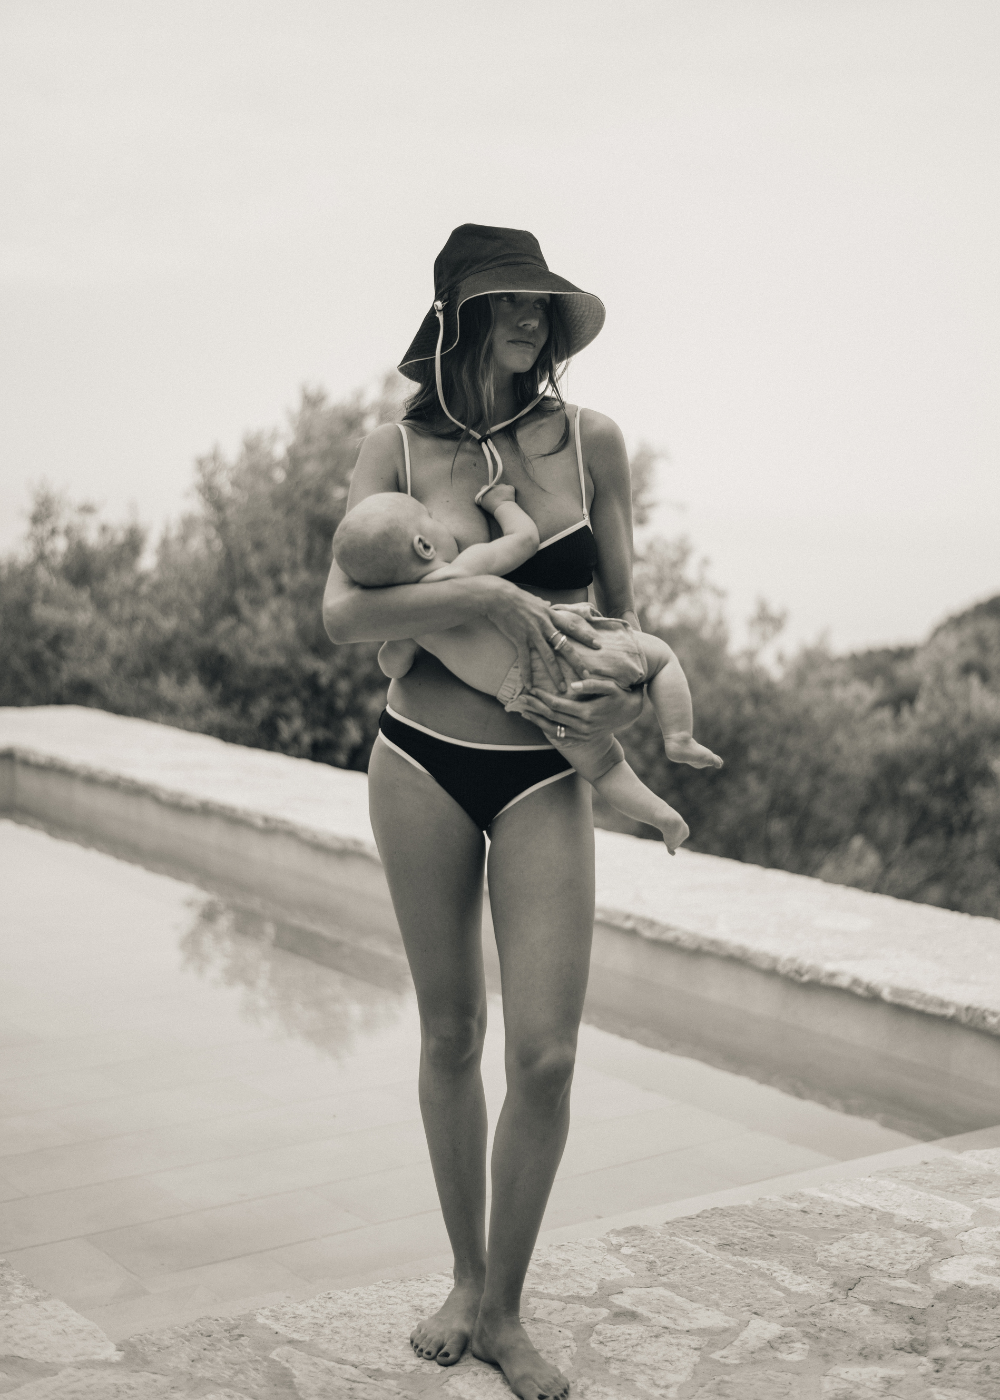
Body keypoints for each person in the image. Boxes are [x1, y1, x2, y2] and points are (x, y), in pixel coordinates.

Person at [322, 224, 688, 1400]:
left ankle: (510, 1308)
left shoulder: (593, 443)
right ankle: (468, 1283)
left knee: (544, 1050)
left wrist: (628, 698)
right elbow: (341, 613)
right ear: (460, 317)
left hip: (544, 768)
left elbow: (628, 612)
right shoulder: (394, 444)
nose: (531, 320)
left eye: (542, 303)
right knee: (448, 1036)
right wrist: (476, 584)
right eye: (509, 304)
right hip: (421, 755)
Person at [331, 482, 722, 852]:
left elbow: (392, 666)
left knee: (604, 769)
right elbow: (524, 540)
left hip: (537, 699)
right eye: (431, 516)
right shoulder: (463, 572)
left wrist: (397, 637)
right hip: (566, 646)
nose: (440, 520)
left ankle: (664, 820)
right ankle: (678, 736)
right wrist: (503, 504)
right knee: (660, 657)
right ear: (424, 545)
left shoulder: (413, 624)